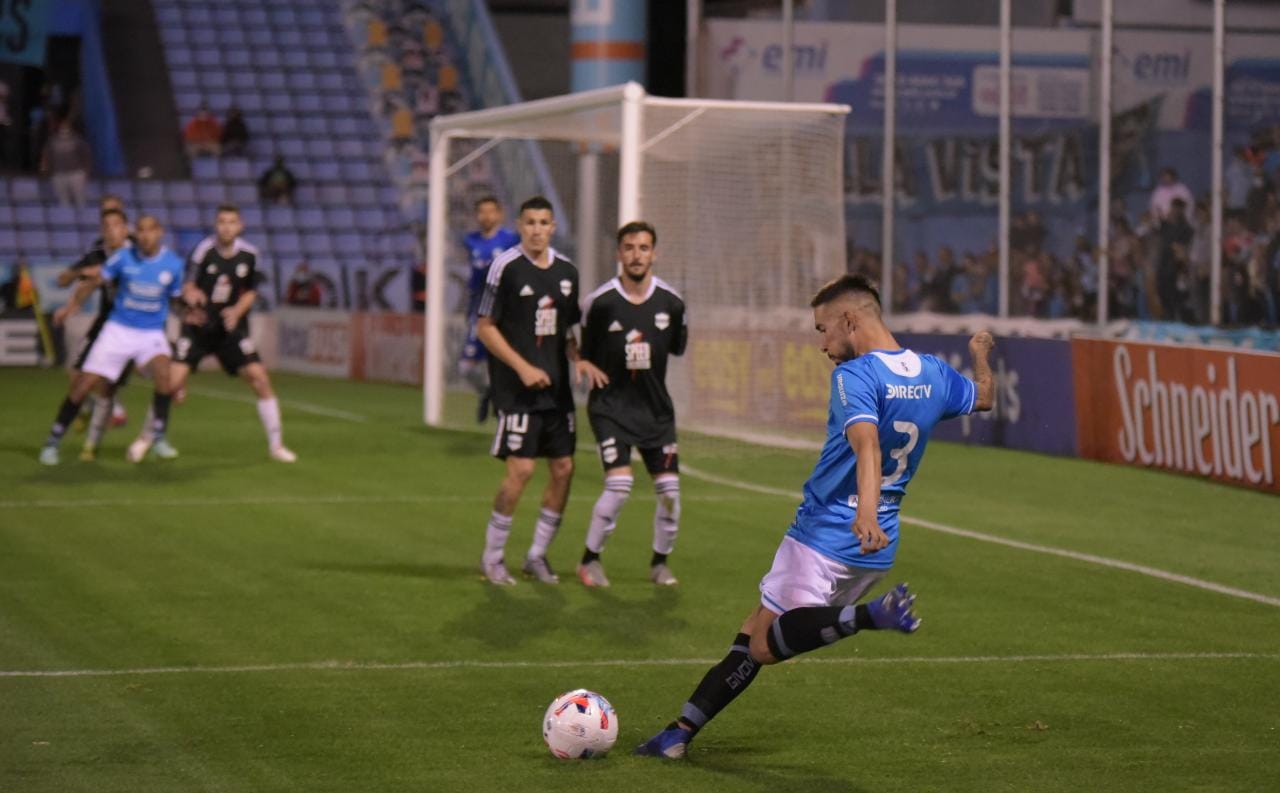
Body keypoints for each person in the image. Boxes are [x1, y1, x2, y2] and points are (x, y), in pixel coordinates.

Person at [634, 274, 995, 759]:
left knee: (762, 645)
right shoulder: (931, 372)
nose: (823, 345)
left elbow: (865, 444)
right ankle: (678, 733)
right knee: (753, 628)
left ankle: (869, 616)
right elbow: (984, 397)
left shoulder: (855, 377)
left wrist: (862, 510)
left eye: (823, 329)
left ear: (850, 320)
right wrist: (979, 355)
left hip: (828, 533)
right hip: (879, 546)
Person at [475, 196, 603, 585]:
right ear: (519, 225)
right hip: (516, 390)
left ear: (552, 228)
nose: (536, 229)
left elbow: (567, 330)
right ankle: (493, 557)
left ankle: (536, 555)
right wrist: (523, 367)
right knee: (522, 470)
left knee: (564, 469)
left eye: (544, 222)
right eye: (529, 222)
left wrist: (577, 357)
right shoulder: (506, 267)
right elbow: (484, 326)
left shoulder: (567, 272)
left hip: (557, 391)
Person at [128, 204, 296, 463]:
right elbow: (189, 284)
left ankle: (276, 446)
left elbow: (251, 290)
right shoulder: (203, 251)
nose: (226, 226)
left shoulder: (250, 255)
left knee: (259, 378)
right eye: (221, 222)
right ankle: (145, 439)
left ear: (240, 226)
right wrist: (192, 295)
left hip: (230, 329)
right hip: (199, 328)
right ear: (215, 226)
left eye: (231, 222)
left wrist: (237, 311)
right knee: (170, 384)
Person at [576, 221, 687, 588]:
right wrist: (580, 361)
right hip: (610, 407)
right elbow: (572, 338)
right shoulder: (601, 302)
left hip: (655, 412)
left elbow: (675, 347)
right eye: (629, 247)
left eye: (643, 248)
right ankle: (589, 560)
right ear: (618, 253)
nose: (636, 255)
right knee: (619, 486)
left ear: (654, 253)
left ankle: (660, 564)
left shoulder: (671, 303)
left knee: (670, 494)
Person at [39, 215, 188, 465]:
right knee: (84, 384)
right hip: (118, 329)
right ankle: (53, 441)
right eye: (140, 230)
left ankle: (159, 437)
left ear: (160, 232)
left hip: (150, 332)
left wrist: (190, 311)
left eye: (150, 230)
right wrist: (70, 307)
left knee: (164, 371)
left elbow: (176, 301)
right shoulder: (123, 257)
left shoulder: (173, 264)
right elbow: (95, 281)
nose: (145, 235)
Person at [50, 205, 134, 460]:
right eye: (106, 226)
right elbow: (64, 280)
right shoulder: (98, 252)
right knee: (76, 374)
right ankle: (86, 407)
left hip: (136, 326)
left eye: (116, 225)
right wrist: (72, 299)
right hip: (105, 322)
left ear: (126, 228)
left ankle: (94, 443)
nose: (111, 231)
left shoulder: (138, 252)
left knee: (111, 385)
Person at [460, 196, 520, 422]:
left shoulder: (511, 239)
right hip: (478, 311)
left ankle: (506, 408)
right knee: (465, 366)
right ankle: (487, 391)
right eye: (482, 212)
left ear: (500, 214)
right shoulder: (470, 240)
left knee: (506, 362)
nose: (486, 216)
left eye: (490, 211)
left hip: (504, 312)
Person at [41, 118, 91, 208]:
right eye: (62, 127)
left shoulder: (78, 140)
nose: (64, 129)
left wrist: (86, 170)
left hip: (76, 173)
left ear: (71, 128)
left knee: (80, 199)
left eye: (66, 127)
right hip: (58, 173)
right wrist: (45, 168)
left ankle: (82, 218)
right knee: (63, 200)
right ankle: (66, 217)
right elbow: (46, 155)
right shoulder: (52, 141)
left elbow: (86, 155)